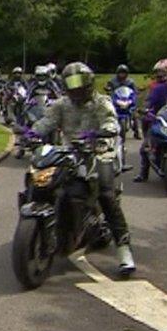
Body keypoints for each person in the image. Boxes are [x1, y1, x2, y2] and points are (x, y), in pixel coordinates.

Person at [30, 62, 136, 276]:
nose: (75, 87)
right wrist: (31, 133)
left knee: (106, 195)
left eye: (79, 82)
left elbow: (110, 122)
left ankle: (124, 251)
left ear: (88, 83)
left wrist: (104, 132)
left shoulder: (101, 102)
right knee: (41, 180)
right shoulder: (61, 104)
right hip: (69, 153)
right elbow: (47, 122)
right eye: (71, 83)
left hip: (100, 152)